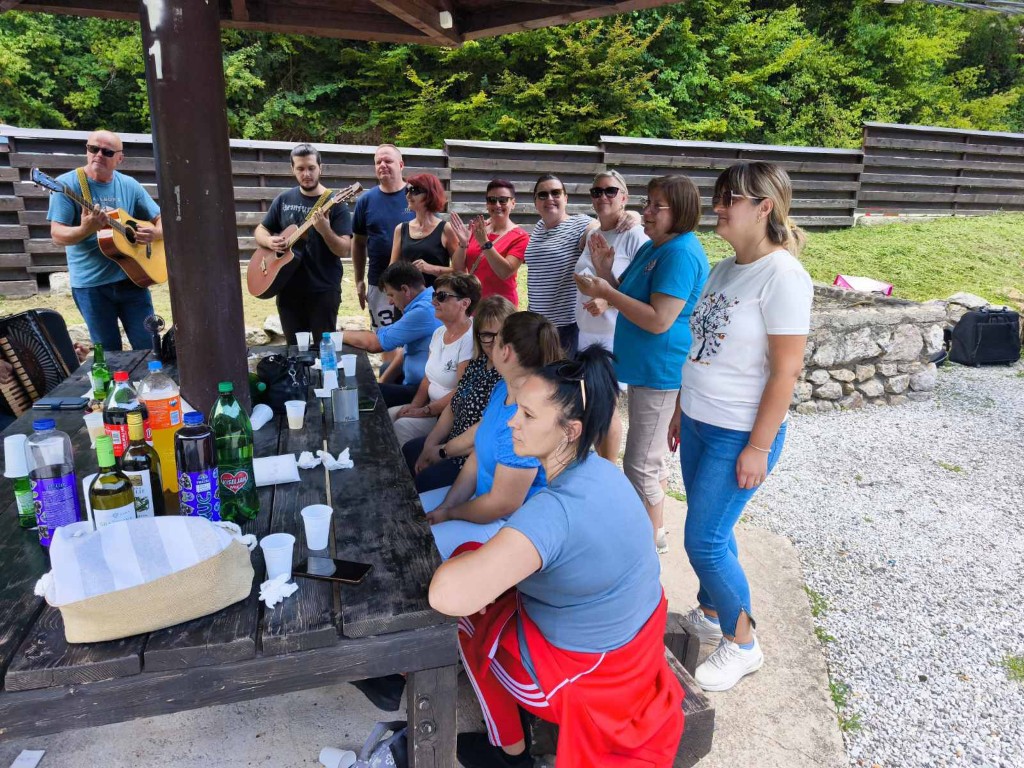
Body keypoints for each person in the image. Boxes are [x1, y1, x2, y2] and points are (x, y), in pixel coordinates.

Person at [429, 348, 684, 768]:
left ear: (571, 430)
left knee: (462, 618)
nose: (513, 421)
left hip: (586, 677)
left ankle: (508, 753)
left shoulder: (554, 512)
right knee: (479, 564)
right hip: (629, 646)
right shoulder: (604, 471)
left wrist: (463, 569)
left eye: (528, 415)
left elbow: (446, 596)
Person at [670, 161, 812, 693]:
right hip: (700, 421)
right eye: (720, 197)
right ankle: (711, 611)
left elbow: (786, 371)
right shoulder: (723, 269)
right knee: (715, 529)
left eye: (731, 199)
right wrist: (682, 407)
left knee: (704, 540)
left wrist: (758, 445)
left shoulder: (784, 277)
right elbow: (702, 349)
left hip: (737, 433)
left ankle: (743, 641)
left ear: (764, 207)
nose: (718, 207)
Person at [575, 175, 709, 555]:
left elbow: (659, 319)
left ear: (680, 211)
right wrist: (606, 273)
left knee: (640, 464)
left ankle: (643, 551)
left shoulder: (680, 253)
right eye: (647, 203)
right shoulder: (656, 247)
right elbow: (631, 298)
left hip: (660, 371)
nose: (645, 212)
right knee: (649, 458)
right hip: (644, 368)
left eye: (656, 206)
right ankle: (654, 533)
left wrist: (607, 291)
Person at [420, 311, 562, 561]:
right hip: (482, 505)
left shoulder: (528, 418)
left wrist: (452, 513)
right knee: (411, 511)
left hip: (513, 527)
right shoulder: (503, 388)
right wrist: (447, 506)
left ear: (505, 351)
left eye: (496, 341)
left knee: (421, 547)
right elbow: (479, 451)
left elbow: (502, 504)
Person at [47, 130, 162, 351]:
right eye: (93, 149)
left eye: (107, 152)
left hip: (132, 279)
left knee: (150, 346)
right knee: (108, 353)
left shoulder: (129, 185)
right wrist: (85, 229)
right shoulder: (66, 185)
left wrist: (156, 234)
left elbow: (161, 219)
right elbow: (57, 235)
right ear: (86, 151)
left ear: (120, 158)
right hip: (91, 286)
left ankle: (152, 375)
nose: (98, 155)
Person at [403, 295, 515, 493]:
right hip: (453, 442)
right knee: (410, 451)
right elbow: (453, 406)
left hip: (473, 456)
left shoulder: (508, 377)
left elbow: (487, 435)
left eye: (501, 335)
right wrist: (430, 444)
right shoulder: (477, 363)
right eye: (487, 335)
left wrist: (441, 452)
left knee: (425, 481)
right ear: (478, 335)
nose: (494, 342)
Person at [573, 169, 649, 461]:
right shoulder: (593, 233)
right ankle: (600, 463)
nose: (602, 196)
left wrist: (608, 300)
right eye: (597, 191)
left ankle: (609, 467)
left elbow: (642, 290)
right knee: (592, 403)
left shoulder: (634, 235)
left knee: (606, 404)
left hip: (613, 334)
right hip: (587, 331)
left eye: (610, 191)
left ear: (624, 197)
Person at [524, 174, 637, 356]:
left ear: (566, 198)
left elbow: (605, 224)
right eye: (543, 195)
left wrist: (633, 215)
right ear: (535, 202)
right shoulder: (539, 228)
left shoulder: (581, 225)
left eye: (556, 193)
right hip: (536, 323)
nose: (550, 198)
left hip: (565, 327)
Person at [253, 143, 353, 344]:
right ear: (293, 169)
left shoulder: (336, 204)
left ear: (320, 168)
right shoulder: (283, 199)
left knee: (323, 351)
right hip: (287, 289)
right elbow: (260, 230)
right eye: (300, 168)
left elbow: (344, 249)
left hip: (323, 290)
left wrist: (325, 230)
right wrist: (269, 241)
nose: (306, 174)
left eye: (311, 168)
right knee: (294, 351)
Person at [388, 273, 480, 448]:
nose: (434, 302)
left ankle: (408, 465)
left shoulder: (470, 339)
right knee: (390, 415)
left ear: (465, 303)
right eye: (434, 295)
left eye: (442, 296)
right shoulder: (439, 333)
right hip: (431, 407)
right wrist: (414, 406)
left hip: (449, 417)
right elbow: (428, 377)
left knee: (401, 426)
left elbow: (462, 391)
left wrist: (424, 411)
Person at [344, 262, 442, 407]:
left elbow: (375, 344)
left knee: (365, 391)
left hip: (425, 389)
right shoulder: (426, 298)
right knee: (385, 369)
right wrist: (382, 381)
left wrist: (336, 336)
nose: (390, 302)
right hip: (415, 378)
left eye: (391, 295)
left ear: (405, 290)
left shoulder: (422, 311)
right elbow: (404, 352)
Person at [450, 180, 529, 306]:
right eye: (492, 200)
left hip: (500, 306)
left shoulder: (520, 236)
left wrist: (485, 243)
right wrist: (463, 244)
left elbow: (505, 272)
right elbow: (458, 269)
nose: (497, 205)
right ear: (487, 204)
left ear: (513, 203)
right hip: (474, 302)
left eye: (503, 200)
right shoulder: (478, 228)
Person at [390, 173, 459, 287]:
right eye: (407, 190)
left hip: (436, 296)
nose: (408, 195)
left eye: (414, 191)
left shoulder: (446, 229)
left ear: (430, 194)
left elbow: (460, 272)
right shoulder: (401, 229)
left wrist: (431, 269)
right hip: (408, 296)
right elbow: (392, 270)